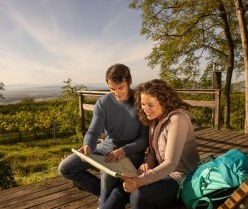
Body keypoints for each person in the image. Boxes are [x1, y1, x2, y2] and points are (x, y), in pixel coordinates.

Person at [58, 63, 149, 209]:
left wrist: (124, 150)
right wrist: (88, 144)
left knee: (107, 172)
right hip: (106, 146)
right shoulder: (103, 102)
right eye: (112, 89)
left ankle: (106, 202)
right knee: (65, 168)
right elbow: (93, 131)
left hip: (131, 152)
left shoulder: (141, 102)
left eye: (121, 88)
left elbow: (144, 139)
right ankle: (103, 195)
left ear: (129, 81)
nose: (117, 93)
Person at [115, 79, 200, 209]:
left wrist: (141, 180)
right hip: (163, 172)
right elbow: (154, 148)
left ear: (164, 102)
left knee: (138, 195)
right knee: (121, 187)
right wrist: (149, 162)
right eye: (143, 104)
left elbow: (171, 163)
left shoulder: (177, 119)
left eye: (150, 105)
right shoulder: (155, 119)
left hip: (182, 177)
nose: (145, 109)